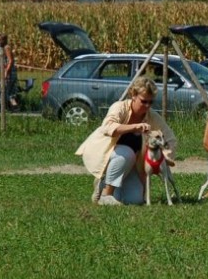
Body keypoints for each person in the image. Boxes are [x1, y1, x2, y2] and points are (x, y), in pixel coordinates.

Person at [75, 76, 177, 206]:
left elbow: (171, 139)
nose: (147, 106)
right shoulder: (119, 107)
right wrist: (134, 127)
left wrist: (165, 157)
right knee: (126, 154)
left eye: (150, 102)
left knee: (134, 200)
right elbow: (107, 127)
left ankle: (105, 186)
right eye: (144, 101)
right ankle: (107, 193)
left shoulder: (152, 117)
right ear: (133, 95)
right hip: (111, 156)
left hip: (132, 166)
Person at [0, 33, 18, 108]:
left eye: (0, 40)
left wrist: (6, 72)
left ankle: (3, 107)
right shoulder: (4, 48)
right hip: (11, 72)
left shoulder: (6, 47)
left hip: (9, 72)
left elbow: (10, 61)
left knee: (1, 88)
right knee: (10, 92)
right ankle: (14, 107)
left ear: (4, 40)